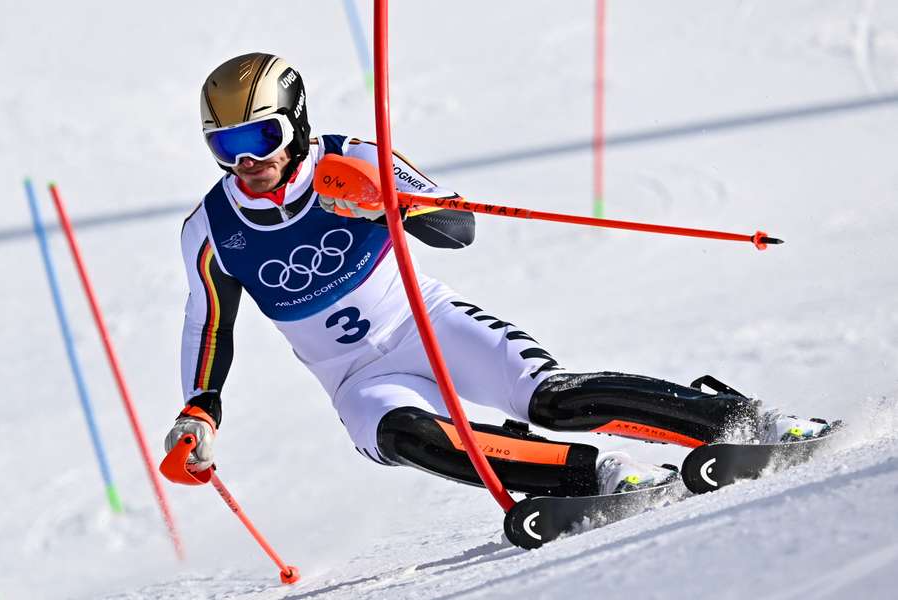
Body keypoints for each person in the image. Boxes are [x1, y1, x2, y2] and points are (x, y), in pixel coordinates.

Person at [165, 52, 834, 498]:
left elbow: (458, 228)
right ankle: (603, 479)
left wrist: (389, 203)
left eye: (259, 138)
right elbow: (210, 326)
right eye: (225, 146)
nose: (245, 161)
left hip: (426, 324)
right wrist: (200, 409)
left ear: (297, 122)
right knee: (409, 438)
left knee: (554, 399)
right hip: (352, 377)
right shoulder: (213, 227)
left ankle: (753, 423)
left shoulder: (358, 158)